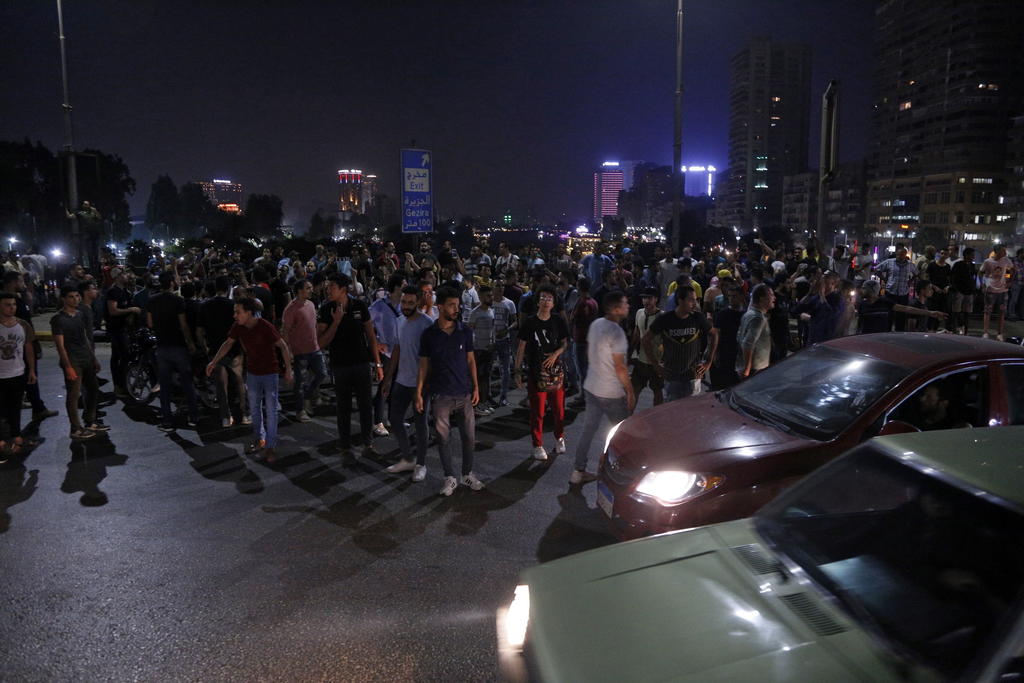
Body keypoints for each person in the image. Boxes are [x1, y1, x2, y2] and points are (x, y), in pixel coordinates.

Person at [415, 287, 484, 496]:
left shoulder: (465, 331)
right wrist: (418, 392)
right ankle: (450, 477)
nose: (456, 309)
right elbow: (423, 365)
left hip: (464, 393)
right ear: (440, 306)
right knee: (443, 439)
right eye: (452, 305)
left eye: (458, 305)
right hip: (440, 395)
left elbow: (471, 360)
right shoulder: (429, 334)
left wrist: (476, 386)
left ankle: (467, 474)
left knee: (469, 438)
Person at [206, 297, 293, 463]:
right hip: (253, 373)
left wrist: (289, 369)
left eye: (238, 312)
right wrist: (214, 361)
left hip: (270, 373)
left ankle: (270, 445)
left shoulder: (265, 326)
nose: (235, 315)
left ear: (248, 313)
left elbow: (282, 345)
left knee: (271, 411)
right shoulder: (238, 326)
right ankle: (259, 439)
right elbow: (228, 343)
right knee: (254, 409)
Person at [317, 273, 385, 456]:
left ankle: (368, 444)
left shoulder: (359, 306)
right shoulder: (326, 309)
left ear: (343, 289)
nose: (328, 290)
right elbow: (321, 343)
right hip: (340, 366)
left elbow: (371, 336)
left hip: (362, 364)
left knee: (365, 406)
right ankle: (345, 445)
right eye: (328, 286)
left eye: (332, 286)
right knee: (343, 408)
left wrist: (378, 364)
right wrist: (336, 322)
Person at [572, 291, 635, 484]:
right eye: (624, 303)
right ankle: (622, 472)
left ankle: (578, 471)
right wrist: (630, 390)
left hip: (592, 386)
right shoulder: (617, 333)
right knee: (624, 433)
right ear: (615, 308)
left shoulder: (596, 324)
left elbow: (591, 352)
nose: (628, 306)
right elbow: (620, 367)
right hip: (611, 392)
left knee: (588, 430)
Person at [381, 286, 435, 481]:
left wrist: (426, 385)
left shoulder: (427, 323)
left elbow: (432, 357)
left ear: (418, 302)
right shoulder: (399, 321)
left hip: (421, 383)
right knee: (394, 419)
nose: (406, 306)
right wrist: (388, 378)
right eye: (404, 302)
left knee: (421, 424)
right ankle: (408, 458)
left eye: (410, 303)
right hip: (402, 380)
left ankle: (421, 464)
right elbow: (397, 349)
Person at [515, 285, 569, 461]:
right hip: (536, 373)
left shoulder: (558, 320)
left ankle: (559, 438)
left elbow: (565, 343)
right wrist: (517, 371)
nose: (546, 301)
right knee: (537, 412)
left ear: (554, 303)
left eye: (550, 298)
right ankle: (537, 445)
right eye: (543, 297)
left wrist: (555, 354)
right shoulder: (530, 322)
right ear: (538, 301)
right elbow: (521, 347)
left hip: (556, 373)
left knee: (559, 410)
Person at [643, 285, 716, 402]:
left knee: (691, 408)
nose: (695, 304)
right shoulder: (665, 318)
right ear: (680, 300)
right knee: (673, 408)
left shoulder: (698, 318)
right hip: (671, 376)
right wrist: (656, 365)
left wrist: (709, 361)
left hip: (693, 375)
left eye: (696, 300)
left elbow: (714, 334)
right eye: (691, 300)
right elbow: (646, 339)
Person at [147, 271, 199, 431]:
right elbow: (183, 325)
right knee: (187, 383)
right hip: (178, 346)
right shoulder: (178, 300)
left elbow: (150, 323)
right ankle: (193, 417)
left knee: (165, 385)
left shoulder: (152, 300)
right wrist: (190, 343)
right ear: (171, 283)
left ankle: (167, 421)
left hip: (162, 346)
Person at [1, 271, 56, 422]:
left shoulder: (17, 299)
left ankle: (36, 407)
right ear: (13, 282)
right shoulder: (8, 301)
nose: (23, 284)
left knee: (28, 376)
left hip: (24, 344)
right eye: (21, 281)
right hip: (15, 348)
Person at [51, 287, 103, 441]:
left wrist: (93, 358)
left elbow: (84, 338)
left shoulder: (79, 314)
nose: (75, 299)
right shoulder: (58, 319)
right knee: (73, 395)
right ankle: (75, 428)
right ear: (64, 299)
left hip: (85, 357)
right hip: (73, 360)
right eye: (71, 297)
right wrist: (68, 366)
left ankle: (90, 421)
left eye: (77, 296)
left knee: (93, 388)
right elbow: (60, 345)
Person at [198, 275, 248, 427]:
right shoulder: (233, 305)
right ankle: (244, 415)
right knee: (239, 383)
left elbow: (199, 331)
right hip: (234, 349)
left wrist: (205, 348)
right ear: (228, 288)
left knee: (221, 385)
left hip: (215, 349)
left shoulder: (204, 306)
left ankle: (226, 417)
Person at [282, 278, 327, 423]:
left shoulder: (311, 304)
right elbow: (285, 331)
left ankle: (308, 397)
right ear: (299, 291)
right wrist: (288, 351)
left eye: (311, 287)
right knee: (299, 382)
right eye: (308, 288)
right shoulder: (291, 309)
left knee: (322, 374)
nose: (311, 290)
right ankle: (300, 410)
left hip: (314, 348)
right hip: (300, 351)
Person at [0, 292, 38, 459]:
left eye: (14, 304)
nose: (12, 308)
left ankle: (16, 436)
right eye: (7, 305)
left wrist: (31, 370)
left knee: (15, 407)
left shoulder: (23, 325)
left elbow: (28, 348)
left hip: (17, 373)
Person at [368, 274, 404, 435]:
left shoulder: (403, 305)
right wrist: (376, 341)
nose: (405, 289)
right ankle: (378, 422)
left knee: (395, 386)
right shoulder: (379, 305)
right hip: (386, 353)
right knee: (384, 386)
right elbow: (366, 323)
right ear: (395, 288)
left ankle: (391, 418)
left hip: (400, 351)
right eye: (403, 286)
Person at [106, 267, 142, 398]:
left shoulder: (124, 291)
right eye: (124, 274)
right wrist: (131, 310)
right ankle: (120, 386)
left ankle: (123, 385)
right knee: (121, 357)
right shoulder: (113, 292)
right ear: (118, 276)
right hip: (116, 330)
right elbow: (113, 311)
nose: (127, 276)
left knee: (125, 357)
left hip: (124, 329)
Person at [630, 287, 663, 406]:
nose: (645, 301)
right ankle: (629, 416)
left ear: (656, 299)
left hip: (656, 362)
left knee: (657, 391)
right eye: (644, 298)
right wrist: (629, 354)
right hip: (641, 361)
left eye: (649, 298)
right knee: (634, 389)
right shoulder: (639, 312)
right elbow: (636, 334)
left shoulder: (662, 317)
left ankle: (657, 415)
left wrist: (662, 362)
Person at [709, 283, 745, 390]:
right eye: (729, 296)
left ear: (741, 296)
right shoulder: (723, 314)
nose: (731, 299)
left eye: (734, 296)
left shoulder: (745, 314)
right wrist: (715, 353)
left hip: (739, 353)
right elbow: (716, 334)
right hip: (725, 353)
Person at [468, 285, 496, 415]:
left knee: (486, 378)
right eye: (488, 296)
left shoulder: (491, 311)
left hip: (489, 349)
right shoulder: (475, 313)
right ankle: (475, 405)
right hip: (478, 350)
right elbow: (470, 331)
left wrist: (493, 343)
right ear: (480, 297)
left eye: (491, 295)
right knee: (477, 379)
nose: (491, 298)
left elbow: (493, 329)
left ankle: (483, 402)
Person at [737, 284, 775, 379]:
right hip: (755, 370)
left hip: (749, 368)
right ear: (762, 298)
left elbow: (739, 337)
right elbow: (747, 344)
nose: (774, 298)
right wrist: (746, 370)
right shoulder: (758, 318)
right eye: (771, 295)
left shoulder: (749, 314)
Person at [490, 278, 517, 407]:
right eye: (497, 285)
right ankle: (488, 396)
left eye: (502, 286)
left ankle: (503, 397)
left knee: (505, 370)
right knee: (488, 369)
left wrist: (507, 329)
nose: (500, 288)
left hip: (504, 340)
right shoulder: (488, 302)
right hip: (490, 341)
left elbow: (515, 321)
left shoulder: (509, 303)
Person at [979, 244, 1013, 341]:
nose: (1005, 252)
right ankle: (985, 332)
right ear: (997, 251)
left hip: (1003, 290)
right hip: (990, 289)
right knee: (987, 312)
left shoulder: (1006, 260)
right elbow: (980, 272)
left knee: (1001, 312)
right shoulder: (987, 261)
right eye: (1003, 250)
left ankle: (999, 333)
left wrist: (1008, 280)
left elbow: (1011, 271)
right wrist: (983, 284)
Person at [950, 248, 977, 335]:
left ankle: (965, 331)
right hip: (959, 290)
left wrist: (973, 289)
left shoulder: (972, 266)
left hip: (969, 291)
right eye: (972, 255)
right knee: (956, 311)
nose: (973, 257)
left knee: (967, 312)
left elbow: (973, 277)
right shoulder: (958, 264)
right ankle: (955, 329)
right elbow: (952, 277)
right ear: (966, 255)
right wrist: (955, 288)